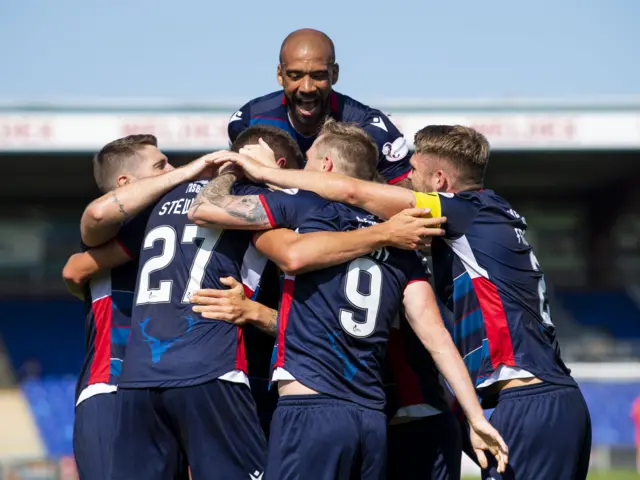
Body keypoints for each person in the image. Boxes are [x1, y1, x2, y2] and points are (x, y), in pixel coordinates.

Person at [221, 123, 593, 480]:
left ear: (440, 184)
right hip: (553, 397)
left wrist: (262, 172)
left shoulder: (464, 211)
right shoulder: (494, 215)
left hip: (528, 402)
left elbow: (353, 191)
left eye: (412, 171)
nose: (406, 180)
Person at [62, 134, 213, 480]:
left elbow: (75, 272)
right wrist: (189, 173)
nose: (172, 171)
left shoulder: (175, 224)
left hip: (166, 390)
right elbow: (78, 261)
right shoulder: (113, 228)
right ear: (124, 183)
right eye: (161, 166)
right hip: (111, 387)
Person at [229, 28, 412, 186]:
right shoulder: (248, 119)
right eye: (295, 75)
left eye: (318, 75)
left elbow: (406, 196)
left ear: (335, 74)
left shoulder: (370, 126)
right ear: (280, 75)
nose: (307, 87)